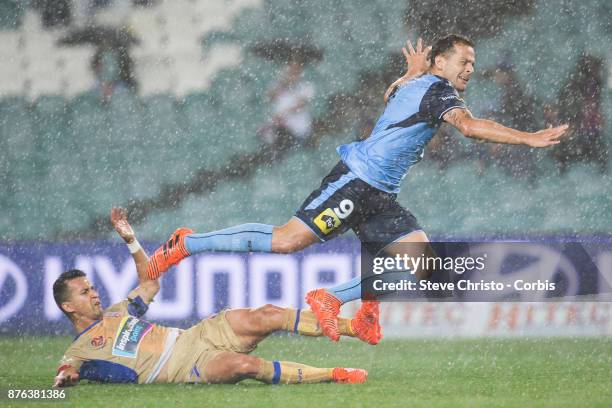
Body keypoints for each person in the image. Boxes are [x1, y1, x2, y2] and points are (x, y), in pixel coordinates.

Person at [145, 34, 568, 343]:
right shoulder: (436, 90)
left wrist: (407, 75)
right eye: (463, 61)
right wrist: (529, 138)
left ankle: (338, 300)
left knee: (424, 265)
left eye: (473, 63)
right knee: (288, 240)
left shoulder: (421, 86)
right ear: (439, 62)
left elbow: (392, 97)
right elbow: (471, 128)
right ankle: (188, 243)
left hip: (380, 194)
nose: (470, 70)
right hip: (356, 181)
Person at [53, 208, 370, 387]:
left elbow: (149, 284)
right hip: (188, 367)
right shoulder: (78, 351)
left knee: (268, 314)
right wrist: (65, 378)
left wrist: (131, 241)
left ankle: (355, 327)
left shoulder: (117, 313)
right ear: (68, 307)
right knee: (246, 365)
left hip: (197, 335)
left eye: (92, 287)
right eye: (85, 292)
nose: (94, 293)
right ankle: (333, 374)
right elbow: (65, 373)